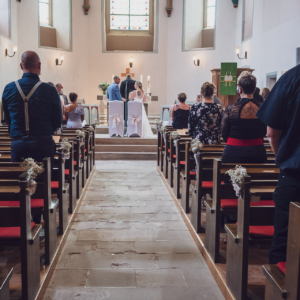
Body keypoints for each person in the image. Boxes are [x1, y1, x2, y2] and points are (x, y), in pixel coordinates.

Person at [256, 64, 300, 264]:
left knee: (284, 245)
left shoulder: (292, 78)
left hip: (295, 176)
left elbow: (272, 133)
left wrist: (282, 159)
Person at [2, 51, 61, 165]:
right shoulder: (50, 89)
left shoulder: (9, 88)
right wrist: (45, 131)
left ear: (21, 66)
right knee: (45, 179)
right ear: (39, 65)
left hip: (19, 143)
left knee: (19, 179)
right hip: (43, 143)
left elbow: (8, 118)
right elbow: (57, 120)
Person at [221, 72, 267, 163]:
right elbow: (264, 131)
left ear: (240, 89)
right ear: (254, 89)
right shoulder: (263, 108)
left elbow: (223, 131)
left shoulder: (231, 108)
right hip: (257, 151)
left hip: (233, 151)